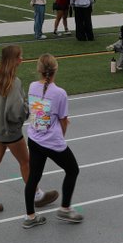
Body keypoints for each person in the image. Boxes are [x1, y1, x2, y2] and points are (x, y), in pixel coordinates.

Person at [0, 45, 59, 215]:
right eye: (20, 56)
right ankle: (37, 196)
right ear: (14, 60)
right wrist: (27, 111)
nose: (22, 59)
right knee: (26, 162)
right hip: (9, 131)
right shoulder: (14, 83)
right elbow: (16, 111)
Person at [22, 53, 83, 228]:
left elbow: (39, 111)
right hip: (52, 142)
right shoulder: (60, 93)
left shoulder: (32, 86)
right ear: (55, 70)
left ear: (39, 70)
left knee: (33, 177)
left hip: (34, 139)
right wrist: (60, 136)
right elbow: (63, 120)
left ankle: (30, 217)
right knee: (72, 170)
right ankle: (65, 209)